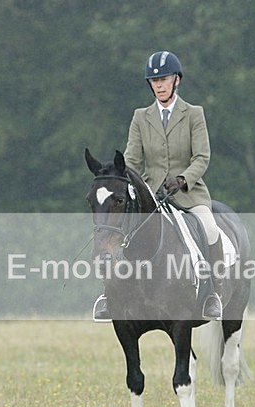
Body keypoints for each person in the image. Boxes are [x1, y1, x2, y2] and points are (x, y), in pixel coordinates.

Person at [94, 50, 223, 321]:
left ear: (177, 80)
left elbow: (202, 157)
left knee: (210, 229)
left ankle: (211, 294)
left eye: (164, 79)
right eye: (154, 81)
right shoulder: (141, 117)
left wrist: (183, 179)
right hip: (151, 195)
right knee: (119, 231)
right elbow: (131, 159)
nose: (159, 85)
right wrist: (122, 178)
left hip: (188, 194)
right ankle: (110, 296)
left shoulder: (194, 114)